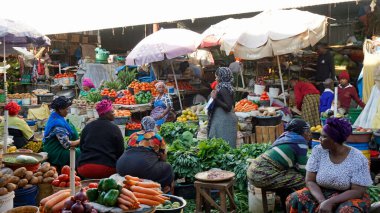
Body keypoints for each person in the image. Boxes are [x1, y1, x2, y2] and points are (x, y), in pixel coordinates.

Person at [287, 118, 372, 213]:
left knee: (347, 211)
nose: (319, 139)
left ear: (335, 140)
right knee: (295, 198)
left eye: (324, 137)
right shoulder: (318, 151)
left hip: (347, 196)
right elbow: (310, 181)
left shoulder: (358, 158)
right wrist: (322, 201)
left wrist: (331, 202)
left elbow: (357, 191)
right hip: (321, 193)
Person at [247, 118, 311, 208]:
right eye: (306, 131)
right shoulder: (300, 142)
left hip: (253, 171)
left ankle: (286, 204)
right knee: (304, 180)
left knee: (290, 178)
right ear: (300, 131)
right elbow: (303, 170)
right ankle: (301, 205)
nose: (309, 134)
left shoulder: (286, 137)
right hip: (261, 176)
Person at [116, 116, 173, 193]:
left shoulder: (133, 135)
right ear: (153, 125)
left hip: (122, 167)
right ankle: (164, 189)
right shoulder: (156, 136)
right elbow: (164, 158)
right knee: (167, 167)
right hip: (142, 169)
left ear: (141, 125)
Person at [77, 100, 124, 179]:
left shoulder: (88, 126)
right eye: (112, 112)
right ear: (105, 113)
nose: (114, 114)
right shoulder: (114, 128)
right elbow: (120, 151)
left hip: (84, 167)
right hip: (106, 168)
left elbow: (81, 147)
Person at [43, 96, 80, 168]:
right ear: (60, 109)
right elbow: (67, 144)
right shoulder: (58, 124)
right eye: (67, 109)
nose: (68, 111)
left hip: (58, 147)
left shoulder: (56, 116)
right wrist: (80, 140)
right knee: (79, 153)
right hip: (55, 152)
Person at [208, 67, 238, 147]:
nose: (215, 78)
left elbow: (228, 107)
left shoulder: (223, 88)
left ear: (221, 77)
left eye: (216, 76)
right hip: (223, 120)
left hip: (224, 122)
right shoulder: (228, 86)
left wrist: (215, 99)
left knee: (224, 147)